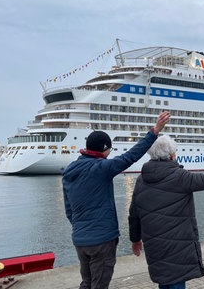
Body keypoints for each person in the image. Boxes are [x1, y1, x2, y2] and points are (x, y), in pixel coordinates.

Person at [62, 111, 170, 289]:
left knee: (87, 283)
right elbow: (130, 156)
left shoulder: (69, 171)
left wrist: (81, 228)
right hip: (101, 240)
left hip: (80, 240)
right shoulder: (101, 168)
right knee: (99, 285)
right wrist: (155, 131)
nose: (110, 152)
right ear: (104, 149)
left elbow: (68, 210)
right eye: (109, 148)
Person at [128, 136, 204, 289]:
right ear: (172, 155)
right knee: (176, 281)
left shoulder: (141, 180)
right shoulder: (180, 177)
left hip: (154, 248)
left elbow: (134, 214)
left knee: (164, 282)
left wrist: (135, 239)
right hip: (178, 248)